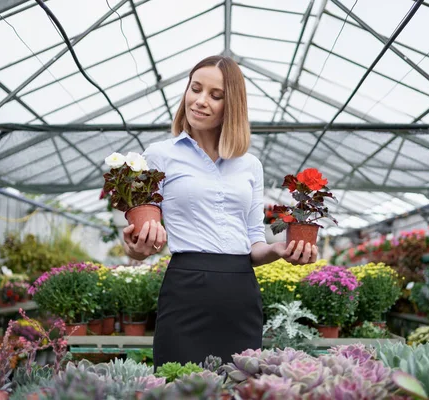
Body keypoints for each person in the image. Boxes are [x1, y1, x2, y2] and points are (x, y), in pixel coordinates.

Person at [121, 55, 318, 369]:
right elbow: (144, 236)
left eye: (215, 95)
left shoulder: (250, 166)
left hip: (240, 291)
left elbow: (253, 241)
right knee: (178, 386)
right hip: (186, 288)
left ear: (233, 105)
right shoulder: (160, 155)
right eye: (195, 89)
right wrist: (137, 244)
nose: (200, 101)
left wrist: (277, 249)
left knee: (241, 386)